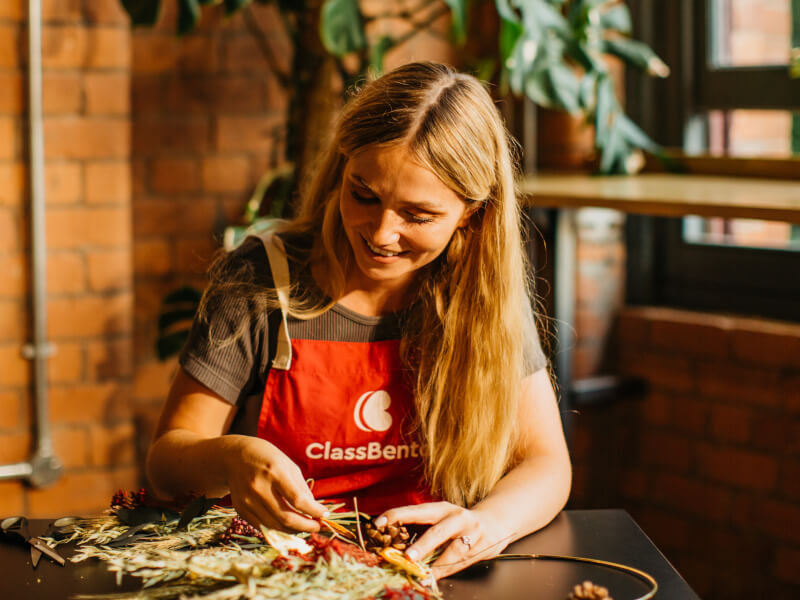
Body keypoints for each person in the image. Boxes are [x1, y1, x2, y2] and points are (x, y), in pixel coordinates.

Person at [146, 61, 571, 578]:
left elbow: (546, 462)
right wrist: (233, 457)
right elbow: (167, 464)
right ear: (342, 166)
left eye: (417, 215)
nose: (381, 233)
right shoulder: (263, 276)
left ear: (471, 213)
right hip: (276, 572)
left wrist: (486, 524)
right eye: (363, 195)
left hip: (425, 572)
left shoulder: (484, 296)